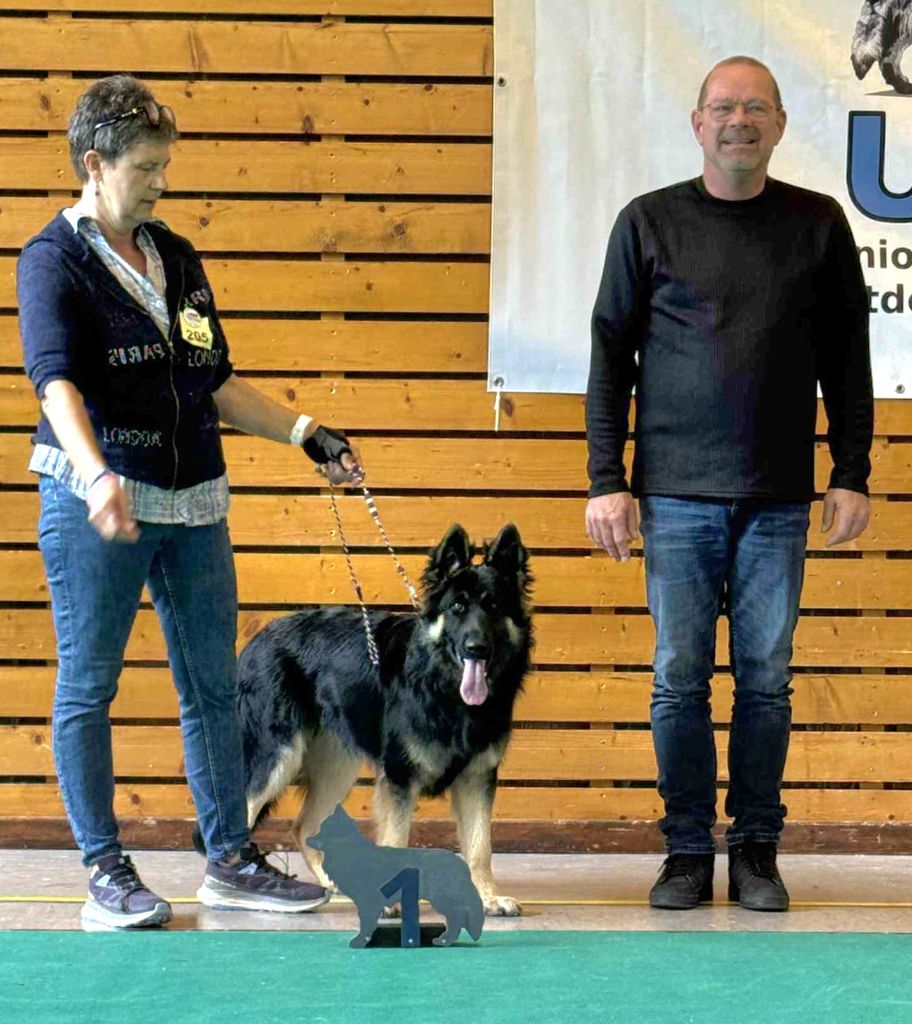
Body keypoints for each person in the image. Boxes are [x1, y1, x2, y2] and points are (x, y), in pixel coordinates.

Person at [18, 74, 364, 930]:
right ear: (93, 165)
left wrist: (306, 433)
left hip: (194, 502)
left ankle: (229, 858)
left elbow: (214, 383)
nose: (160, 181)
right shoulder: (52, 259)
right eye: (144, 167)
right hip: (97, 500)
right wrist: (98, 476)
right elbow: (54, 383)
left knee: (214, 686)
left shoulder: (175, 255)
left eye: (165, 164)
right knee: (88, 685)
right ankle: (105, 870)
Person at [585, 56, 873, 912]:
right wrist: (608, 478)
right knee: (678, 678)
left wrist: (849, 472)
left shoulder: (818, 225)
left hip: (779, 498)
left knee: (766, 680)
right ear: (697, 122)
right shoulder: (648, 222)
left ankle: (755, 849)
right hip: (672, 496)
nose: (738, 120)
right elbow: (609, 358)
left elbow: (849, 365)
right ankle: (684, 853)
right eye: (723, 107)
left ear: (781, 123)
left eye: (755, 108)